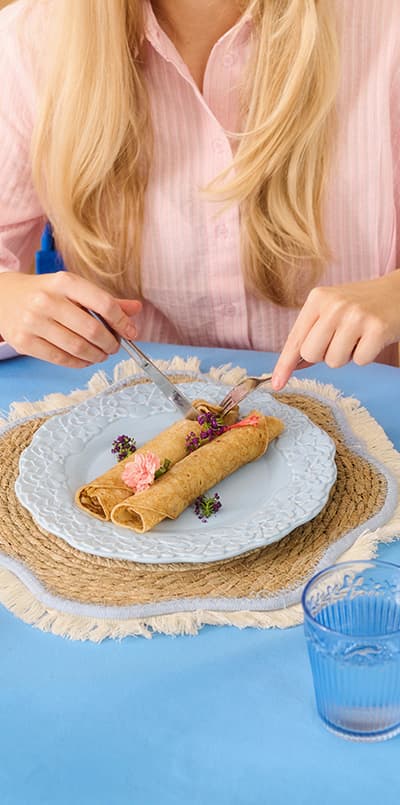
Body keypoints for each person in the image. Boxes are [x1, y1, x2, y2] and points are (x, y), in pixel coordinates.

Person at [0, 0, 400, 389]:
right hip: (129, 412)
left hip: (366, 415)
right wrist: (7, 299)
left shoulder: (386, 24)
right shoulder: (29, 41)